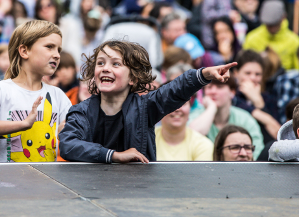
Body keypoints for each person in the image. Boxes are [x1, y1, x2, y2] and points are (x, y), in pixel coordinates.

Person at [59, 39, 236, 163]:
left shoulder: (144, 107)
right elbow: (68, 144)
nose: (105, 68)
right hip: (92, 192)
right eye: (100, 63)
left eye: (115, 64)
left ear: (133, 79)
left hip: (137, 192)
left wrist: (203, 74)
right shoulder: (81, 111)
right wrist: (113, 155)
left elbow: (174, 90)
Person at [0, 20, 72, 162]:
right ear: (24, 51)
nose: (57, 55)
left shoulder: (58, 95)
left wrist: (66, 132)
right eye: (49, 47)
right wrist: (23, 124)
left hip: (44, 183)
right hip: (2, 182)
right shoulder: (2, 89)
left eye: (58, 50)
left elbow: (74, 133)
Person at [189, 76, 265, 159]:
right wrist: (212, 108)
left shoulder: (245, 118)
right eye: (209, 87)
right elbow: (190, 138)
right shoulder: (195, 116)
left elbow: (257, 152)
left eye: (219, 87)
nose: (213, 91)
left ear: (232, 92)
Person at [233, 50, 281, 144]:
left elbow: (277, 135)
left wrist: (259, 102)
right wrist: (265, 118)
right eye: (247, 73)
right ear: (236, 73)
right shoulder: (232, 97)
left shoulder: (269, 98)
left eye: (257, 74)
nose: (253, 78)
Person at [243, 0, 299, 70]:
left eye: (275, 24)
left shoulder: (294, 41)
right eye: (269, 24)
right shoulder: (252, 38)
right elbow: (245, 67)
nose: (272, 28)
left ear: (283, 17)